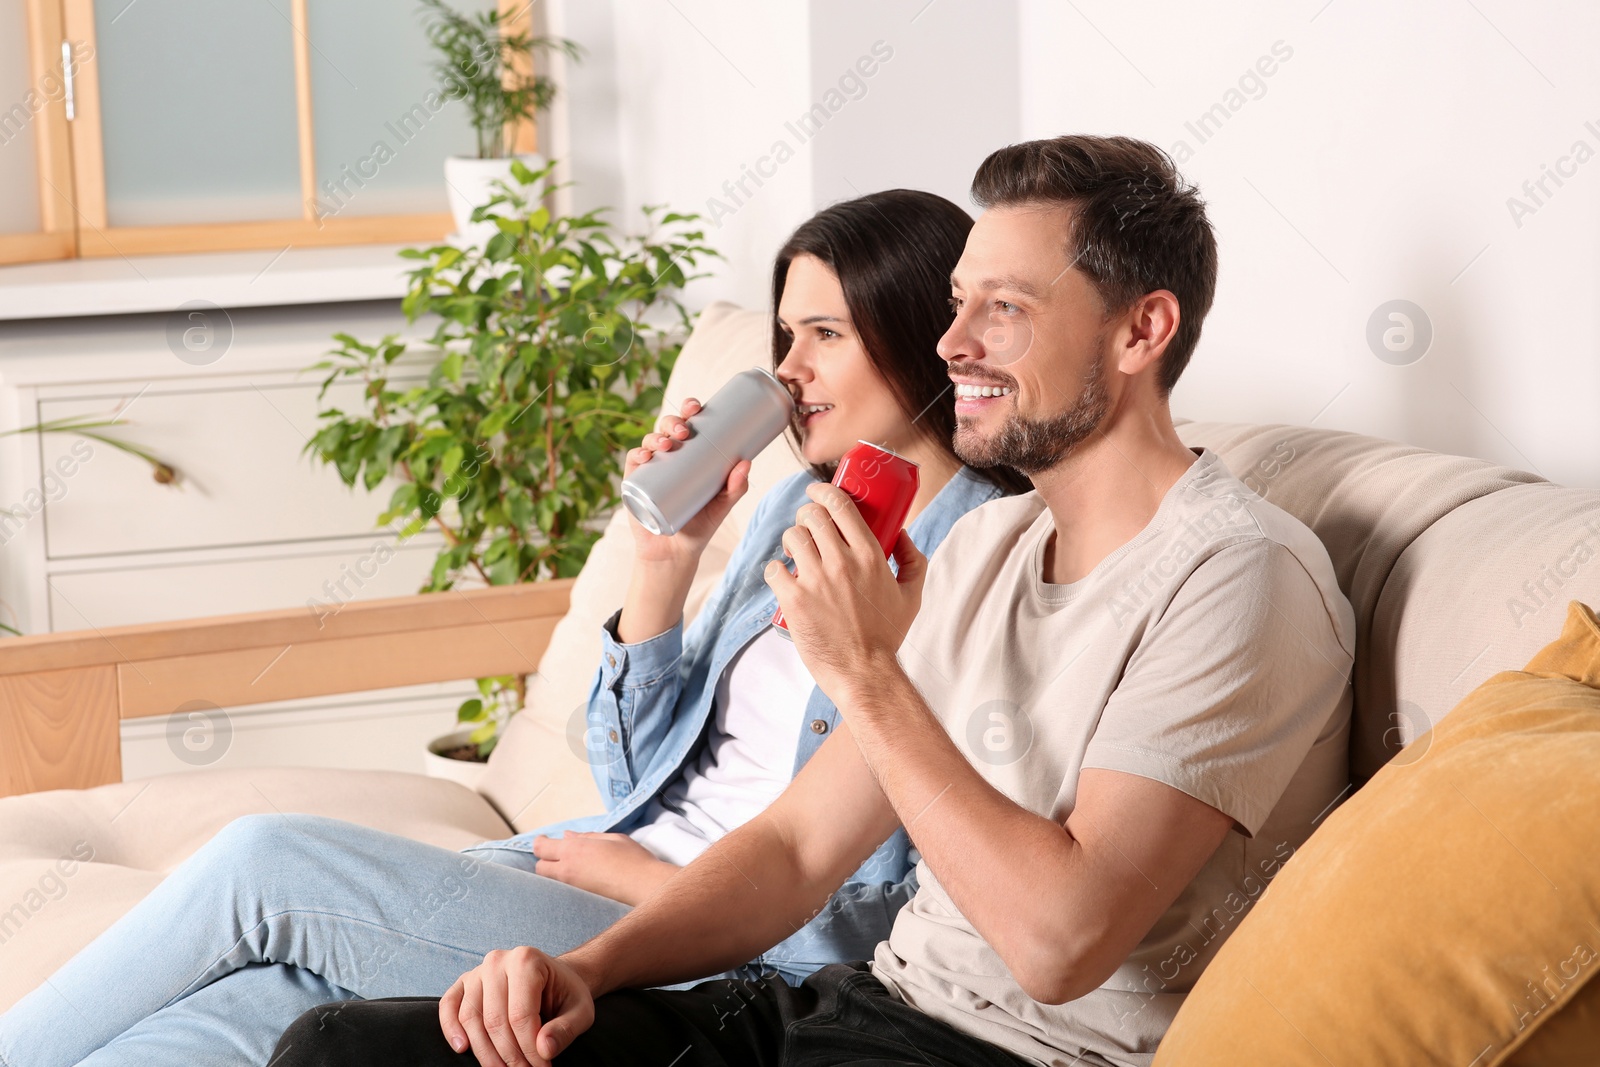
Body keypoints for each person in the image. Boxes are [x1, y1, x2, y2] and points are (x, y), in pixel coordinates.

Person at [270, 134, 1358, 1067]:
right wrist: (585, 967)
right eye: (957, 303)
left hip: (1007, 1053)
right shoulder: (992, 540)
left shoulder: (1237, 575)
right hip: (851, 1015)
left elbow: (1059, 943)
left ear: (1140, 331)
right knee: (340, 1046)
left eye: (1004, 308)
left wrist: (866, 672)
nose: (952, 343)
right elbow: (794, 850)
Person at [0, 189, 1026, 1067]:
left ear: (915, 336)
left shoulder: (982, 558)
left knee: (264, 862)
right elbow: (634, 782)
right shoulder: (792, 503)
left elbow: (882, 902)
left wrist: (645, 878)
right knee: (276, 994)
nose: (788, 368)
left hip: (706, 944)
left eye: (825, 335)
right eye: (785, 334)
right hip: (586, 869)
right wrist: (661, 566)